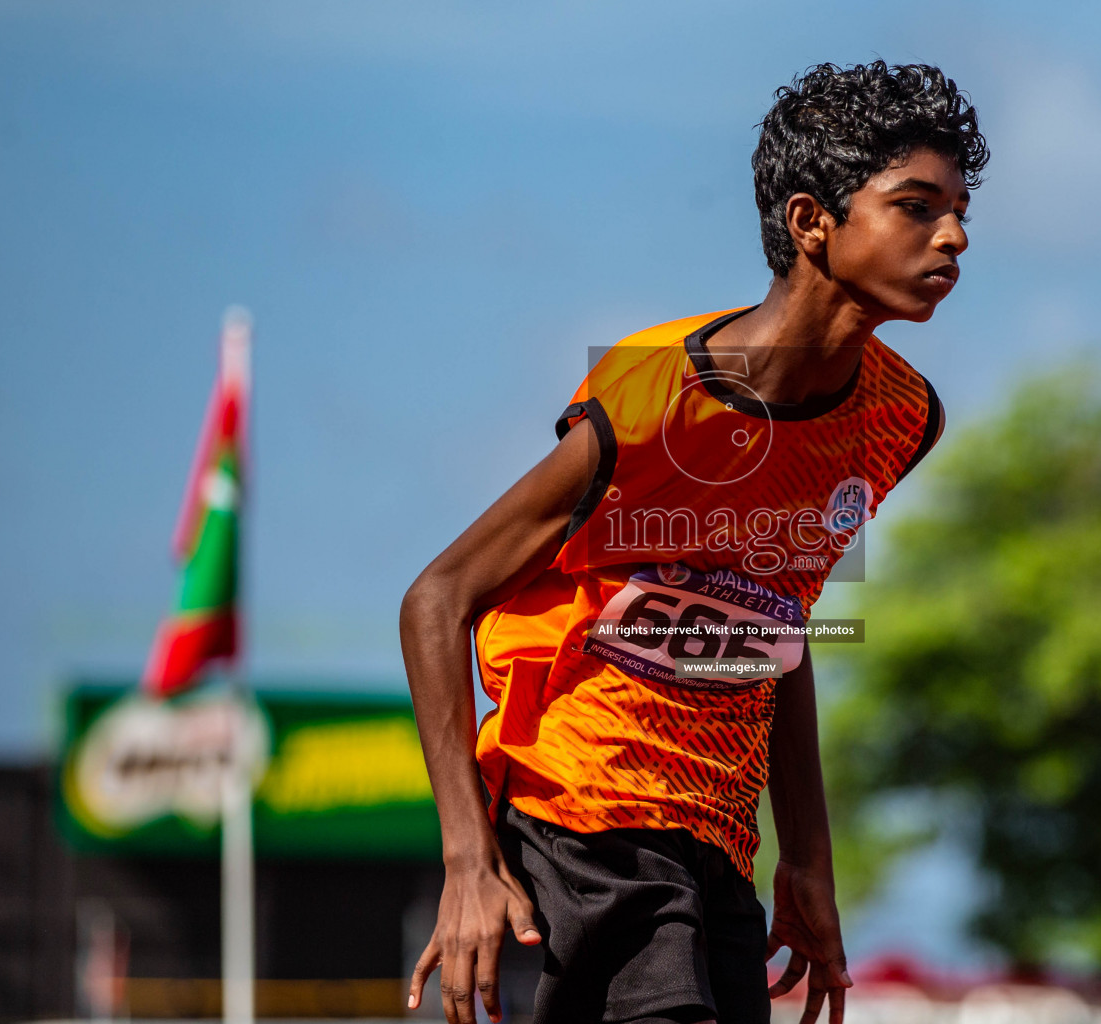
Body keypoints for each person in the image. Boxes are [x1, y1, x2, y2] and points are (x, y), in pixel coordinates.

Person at [401, 61, 988, 1024]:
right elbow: (437, 598)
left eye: (961, 211)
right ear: (812, 222)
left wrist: (808, 861)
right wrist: (469, 861)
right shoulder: (650, 392)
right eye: (917, 206)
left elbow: (777, 630)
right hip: (578, 807)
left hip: (716, 835)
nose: (955, 236)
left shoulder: (901, 417)